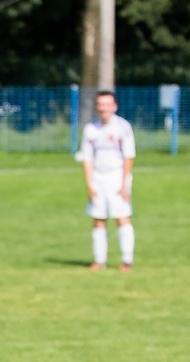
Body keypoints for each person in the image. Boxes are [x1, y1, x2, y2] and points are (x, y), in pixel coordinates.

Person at [77, 90, 135, 272]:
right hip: (98, 179)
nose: (104, 108)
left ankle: (126, 261)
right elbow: (87, 159)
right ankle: (99, 260)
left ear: (114, 107)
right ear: (96, 107)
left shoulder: (123, 127)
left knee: (122, 218)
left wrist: (124, 184)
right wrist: (89, 184)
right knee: (98, 219)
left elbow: (128, 157)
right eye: (101, 105)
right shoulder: (90, 129)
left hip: (117, 177)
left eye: (108, 104)